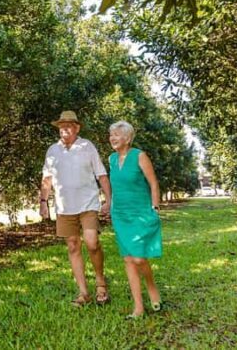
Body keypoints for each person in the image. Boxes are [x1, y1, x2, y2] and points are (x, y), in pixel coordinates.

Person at [39, 111, 112, 306]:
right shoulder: (52, 150)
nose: (64, 128)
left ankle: (101, 283)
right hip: (64, 207)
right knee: (72, 245)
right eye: (61, 125)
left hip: (88, 203)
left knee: (92, 242)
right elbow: (47, 179)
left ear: (77, 128)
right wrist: (43, 202)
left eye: (69, 125)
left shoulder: (87, 146)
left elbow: (101, 174)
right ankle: (83, 293)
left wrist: (108, 199)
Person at [108, 121, 163, 319]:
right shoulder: (112, 159)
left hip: (140, 213)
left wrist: (155, 208)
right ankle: (138, 307)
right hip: (120, 215)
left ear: (128, 138)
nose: (112, 138)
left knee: (139, 258)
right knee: (128, 259)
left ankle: (151, 285)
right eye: (111, 135)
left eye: (117, 135)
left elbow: (153, 183)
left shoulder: (139, 156)